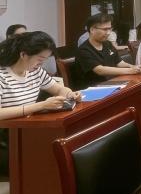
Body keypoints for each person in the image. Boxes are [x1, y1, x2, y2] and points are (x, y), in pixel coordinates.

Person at [0, 32, 83, 174]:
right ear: (23, 54)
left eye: (44, 60)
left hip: (28, 131)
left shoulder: (36, 72)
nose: (41, 64)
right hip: (7, 138)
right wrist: (41, 105)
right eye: (39, 59)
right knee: (48, 157)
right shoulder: (2, 76)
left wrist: (70, 94)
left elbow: (59, 89)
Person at [74, 13, 141, 90]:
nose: (108, 33)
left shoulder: (107, 44)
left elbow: (119, 62)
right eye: (105, 29)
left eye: (110, 29)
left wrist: (133, 66)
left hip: (113, 84)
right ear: (92, 30)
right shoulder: (83, 50)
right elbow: (100, 70)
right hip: (93, 89)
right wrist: (129, 70)